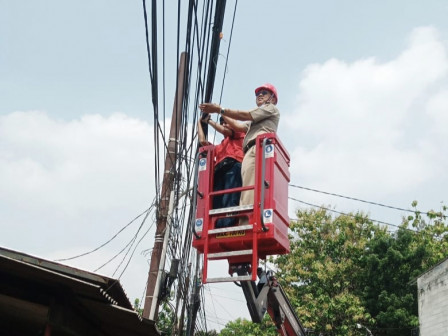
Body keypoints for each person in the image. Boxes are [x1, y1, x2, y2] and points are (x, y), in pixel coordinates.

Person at [199, 83, 279, 208]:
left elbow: (243, 117)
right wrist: (207, 119)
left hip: (255, 149)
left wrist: (219, 110)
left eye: (264, 93)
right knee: (241, 191)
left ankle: (243, 220)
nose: (260, 95)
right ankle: (238, 220)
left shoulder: (271, 108)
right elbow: (239, 126)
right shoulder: (253, 124)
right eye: (258, 93)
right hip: (247, 152)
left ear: (273, 98)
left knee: (245, 192)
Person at [197, 114, 245, 228]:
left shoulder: (240, 133)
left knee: (229, 197)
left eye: (226, 121)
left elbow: (225, 131)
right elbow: (203, 142)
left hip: (233, 166)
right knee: (216, 200)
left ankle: (227, 225)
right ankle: (217, 226)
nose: (224, 124)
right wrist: (200, 123)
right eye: (222, 122)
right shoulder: (220, 146)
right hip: (220, 171)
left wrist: (209, 121)